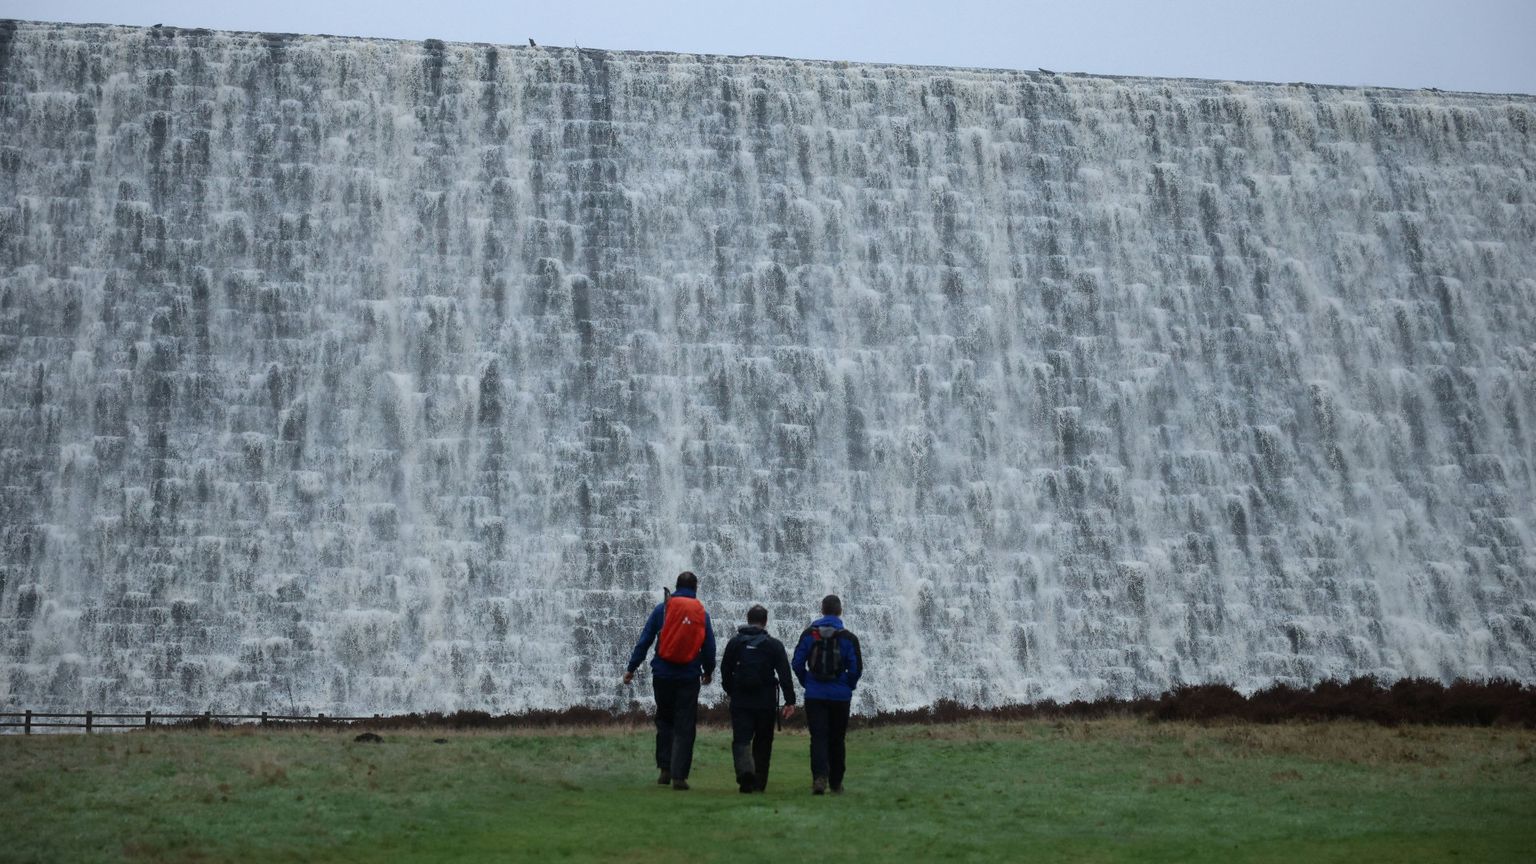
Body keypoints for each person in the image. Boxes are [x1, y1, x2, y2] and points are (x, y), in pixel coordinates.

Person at [624, 571, 716, 791]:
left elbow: (645, 640)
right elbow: (709, 646)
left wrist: (632, 668)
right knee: (685, 725)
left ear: (676, 587)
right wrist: (708, 670)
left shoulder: (662, 610)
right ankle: (679, 776)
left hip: (663, 675)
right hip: (688, 676)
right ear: (695, 588)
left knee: (665, 721)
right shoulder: (701, 613)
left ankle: (664, 769)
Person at [720, 604, 797, 793]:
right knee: (763, 741)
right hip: (765, 701)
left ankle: (745, 777)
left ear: (748, 620)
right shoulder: (774, 645)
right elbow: (784, 674)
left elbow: (725, 670)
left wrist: (732, 691)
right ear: (765, 622)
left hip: (741, 700)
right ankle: (759, 782)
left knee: (741, 739)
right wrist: (790, 700)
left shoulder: (735, 643)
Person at [792, 594, 862, 795]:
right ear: (840, 611)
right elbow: (856, 668)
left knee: (818, 737)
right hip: (840, 695)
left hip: (815, 695)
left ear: (822, 610)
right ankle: (836, 782)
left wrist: (807, 681)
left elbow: (797, 662)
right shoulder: (848, 638)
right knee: (837, 739)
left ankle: (819, 779)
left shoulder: (809, 634)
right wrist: (848, 685)